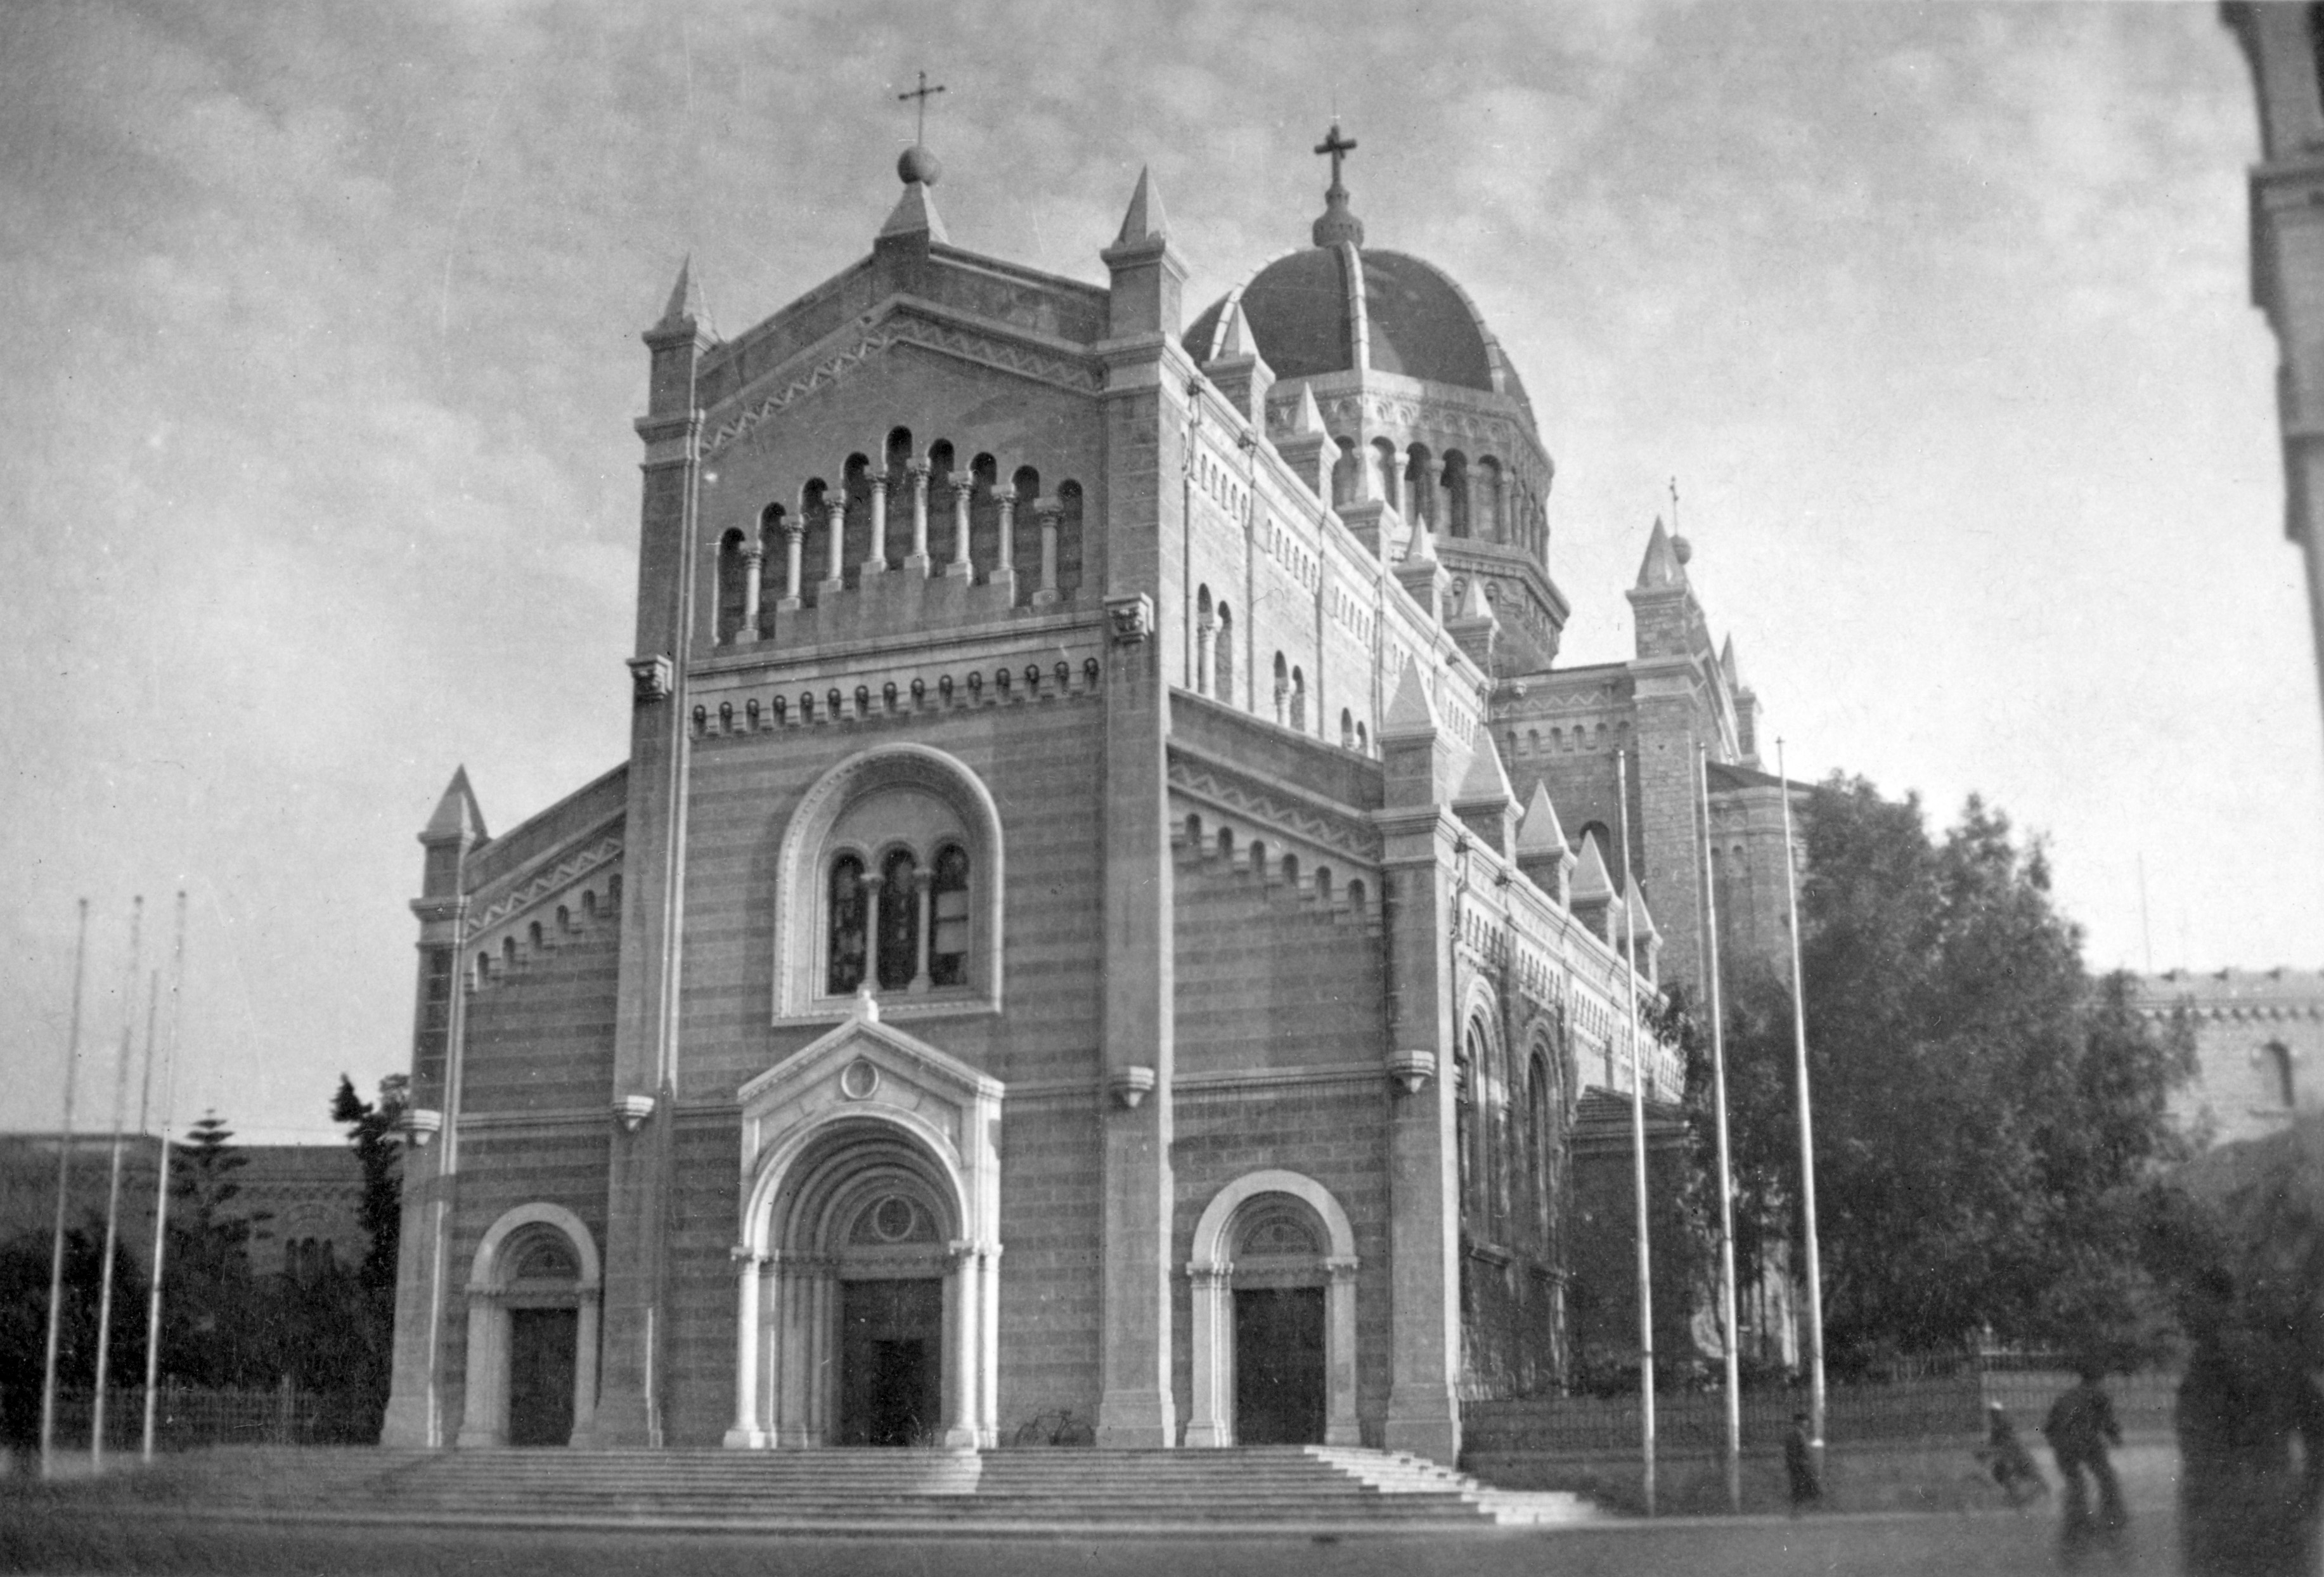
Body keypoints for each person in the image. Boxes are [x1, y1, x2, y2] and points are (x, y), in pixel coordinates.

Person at [2176, 1265, 2324, 1577]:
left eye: (2188, 1300)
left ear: (2217, 1301)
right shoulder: (2280, 1354)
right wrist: (2307, 1497)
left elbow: (2202, 1446)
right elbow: (2318, 1429)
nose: (2181, 1312)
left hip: (2226, 1520)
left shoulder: (2213, 1360)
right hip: (2278, 1510)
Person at [2045, 1365, 2127, 1568]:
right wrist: (2116, 1439)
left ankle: (2078, 1520)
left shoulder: (2068, 1395)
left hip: (2062, 1442)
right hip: (2084, 1440)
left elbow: (2049, 1426)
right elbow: (2109, 1424)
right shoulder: (2099, 1395)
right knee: (2106, 1476)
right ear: (2099, 1379)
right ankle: (2113, 1516)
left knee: (2076, 1482)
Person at [1982, 1401, 2048, 1510]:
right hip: (2014, 1456)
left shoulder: (2001, 1426)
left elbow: (2001, 1444)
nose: (1992, 1416)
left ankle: (2016, 1499)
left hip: (2016, 1457)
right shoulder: (2000, 1426)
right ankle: (2015, 1497)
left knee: (2008, 1474)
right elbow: (1994, 1444)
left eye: (1993, 1413)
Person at [1785, 1410, 1822, 1515]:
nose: (1807, 1423)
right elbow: (1800, 1450)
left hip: (1799, 1465)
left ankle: (1798, 1511)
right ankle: (1800, 1511)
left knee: (1801, 1488)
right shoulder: (1797, 1434)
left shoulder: (1797, 1433)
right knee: (1807, 1487)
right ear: (1799, 1422)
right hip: (1800, 1465)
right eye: (1805, 1421)